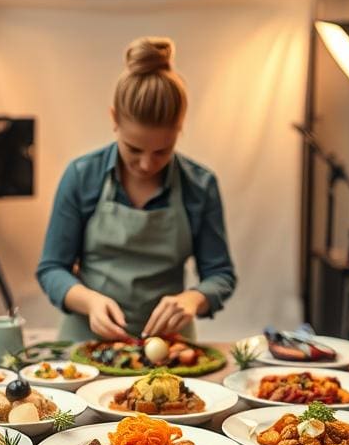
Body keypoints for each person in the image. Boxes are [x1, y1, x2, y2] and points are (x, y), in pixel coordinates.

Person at [37, 36, 236, 341]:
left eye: (162, 151)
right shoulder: (81, 176)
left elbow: (220, 274)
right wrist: (90, 302)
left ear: (180, 128)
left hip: (170, 347)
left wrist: (191, 301)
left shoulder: (200, 186)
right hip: (85, 344)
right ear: (114, 118)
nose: (146, 164)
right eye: (134, 149)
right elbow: (52, 268)